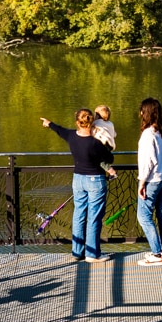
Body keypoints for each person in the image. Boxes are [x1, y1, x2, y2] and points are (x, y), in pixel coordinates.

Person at [40, 108, 116, 262]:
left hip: (78, 180)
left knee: (79, 215)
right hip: (95, 181)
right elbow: (110, 159)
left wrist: (49, 124)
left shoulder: (71, 137)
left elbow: (60, 130)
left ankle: (77, 252)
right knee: (94, 218)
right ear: (92, 123)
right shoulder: (96, 144)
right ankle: (92, 254)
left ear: (77, 122)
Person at [135, 97, 162, 266]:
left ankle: (156, 254)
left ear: (146, 113)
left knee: (143, 216)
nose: (140, 113)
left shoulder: (148, 134)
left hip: (152, 180)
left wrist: (141, 183)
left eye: (142, 111)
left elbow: (147, 162)